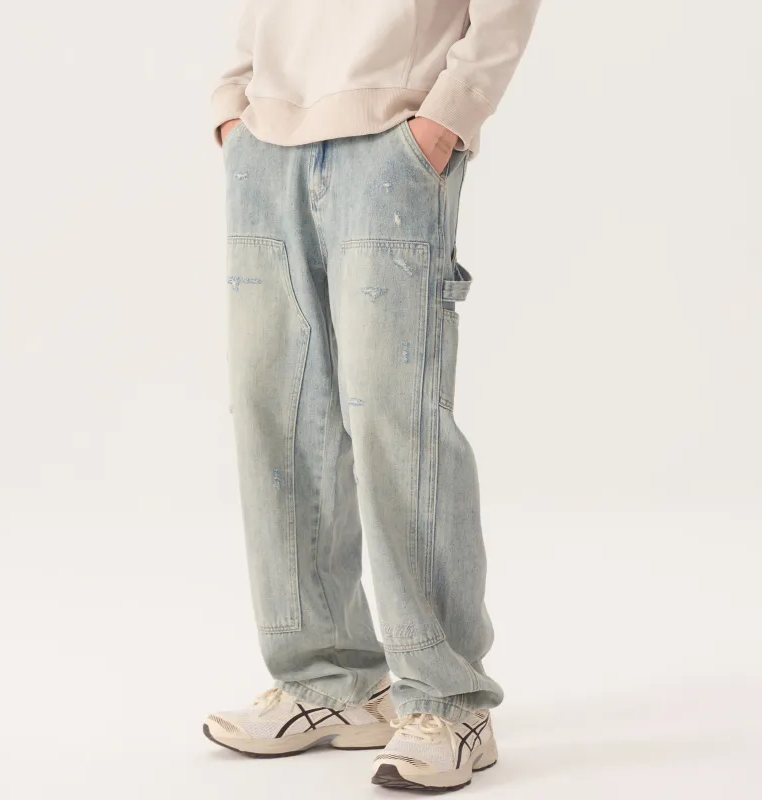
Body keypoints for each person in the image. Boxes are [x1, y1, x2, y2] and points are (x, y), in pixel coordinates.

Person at [203, 0, 541, 791]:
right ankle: (328, 684)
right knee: (274, 416)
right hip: (266, 142)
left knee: (398, 420)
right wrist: (233, 103)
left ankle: (450, 701)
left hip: (394, 136)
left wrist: (448, 115)